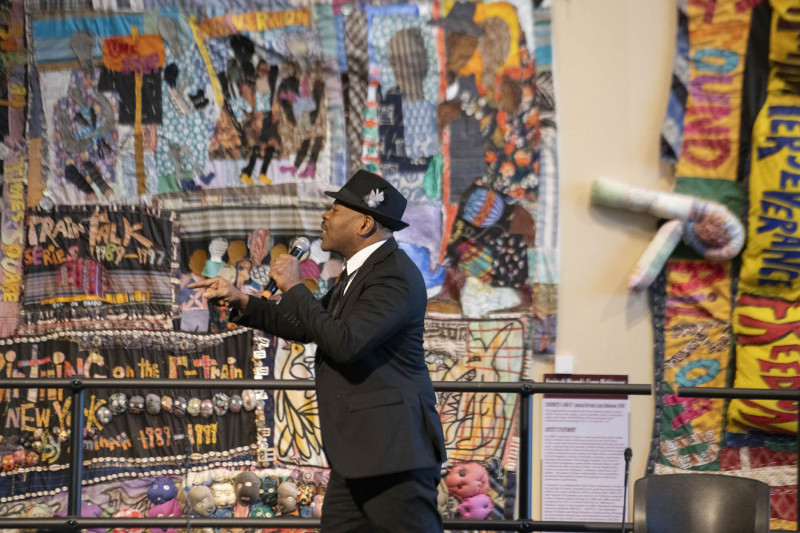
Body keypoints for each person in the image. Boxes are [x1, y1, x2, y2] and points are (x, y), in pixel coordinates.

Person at [189, 169, 446, 532]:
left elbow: (345, 343)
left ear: (365, 224)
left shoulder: (394, 276)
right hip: (358, 457)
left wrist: (295, 285)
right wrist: (243, 300)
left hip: (394, 457)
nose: (325, 216)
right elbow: (308, 325)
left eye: (337, 209)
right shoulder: (359, 272)